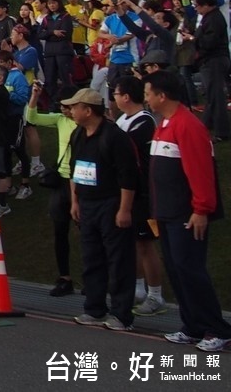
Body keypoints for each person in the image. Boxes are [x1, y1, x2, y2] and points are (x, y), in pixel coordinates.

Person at [143, 70, 231, 353]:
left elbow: (201, 171)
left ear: (161, 95)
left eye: (147, 93)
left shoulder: (187, 125)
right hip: (167, 212)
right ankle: (192, 325)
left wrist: (201, 209)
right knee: (176, 268)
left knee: (190, 269)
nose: (145, 98)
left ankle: (216, 328)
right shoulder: (164, 123)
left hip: (187, 213)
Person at [63, 88, 138, 331]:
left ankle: (121, 313)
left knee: (118, 259)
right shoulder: (78, 134)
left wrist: (124, 209)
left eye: (75, 107)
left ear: (88, 110)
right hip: (87, 203)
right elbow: (74, 170)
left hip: (111, 202)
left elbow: (128, 175)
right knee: (91, 257)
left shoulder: (114, 137)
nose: (71, 111)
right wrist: (75, 201)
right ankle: (94, 308)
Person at [110, 77, 167, 317]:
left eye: (116, 94)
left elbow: (121, 149)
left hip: (143, 192)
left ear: (125, 97)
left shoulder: (143, 122)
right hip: (126, 189)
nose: (113, 98)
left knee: (145, 244)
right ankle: (137, 288)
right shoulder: (123, 119)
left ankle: (156, 295)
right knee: (131, 242)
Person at [24, 83, 78, 297]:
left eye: (67, 106)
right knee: (60, 232)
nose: (64, 110)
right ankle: (64, 277)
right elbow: (32, 118)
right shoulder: (60, 120)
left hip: (81, 181)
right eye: (62, 106)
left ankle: (94, 279)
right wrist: (35, 96)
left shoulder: (85, 124)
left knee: (89, 235)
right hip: (61, 181)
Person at [186, 0, 230, 142]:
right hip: (210, 61)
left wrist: (193, 39)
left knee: (216, 97)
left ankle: (222, 131)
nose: (196, 9)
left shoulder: (214, 19)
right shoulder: (208, 17)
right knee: (212, 96)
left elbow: (209, 42)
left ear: (206, 5)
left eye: (197, 6)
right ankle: (205, 126)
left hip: (214, 60)